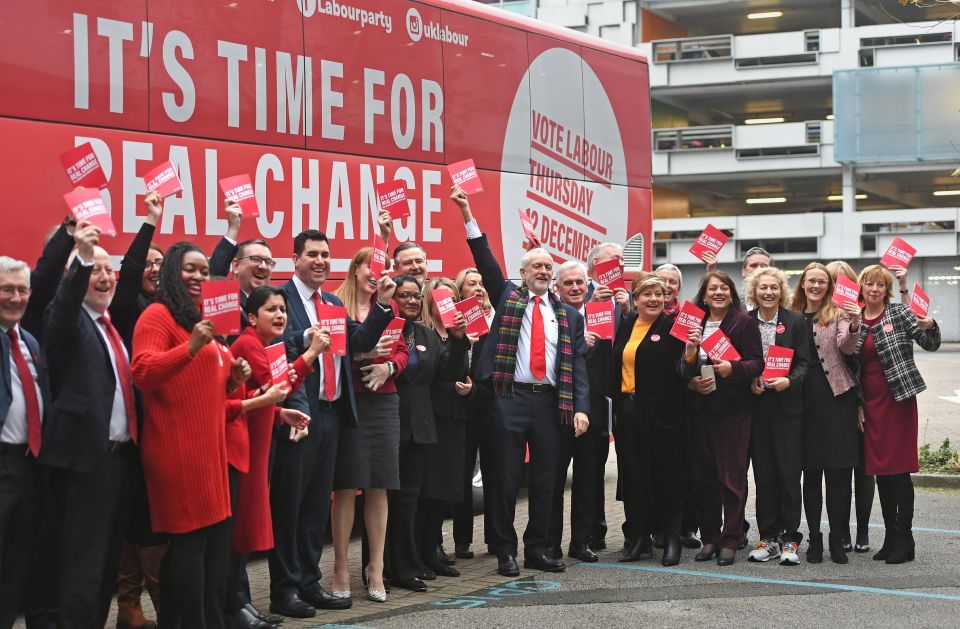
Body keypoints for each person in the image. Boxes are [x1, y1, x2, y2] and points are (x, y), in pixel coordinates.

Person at [451, 186, 590, 578]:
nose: (544, 273)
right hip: (508, 399)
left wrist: (581, 408)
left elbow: (577, 365)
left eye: (549, 269)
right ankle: (505, 550)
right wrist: (467, 212)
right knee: (505, 479)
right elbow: (485, 260)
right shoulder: (508, 297)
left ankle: (538, 549)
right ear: (523, 272)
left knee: (547, 480)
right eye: (537, 268)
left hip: (549, 403)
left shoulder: (568, 316)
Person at [37, 205, 157, 628]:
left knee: (106, 566)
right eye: (95, 270)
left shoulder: (110, 326)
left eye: (109, 270)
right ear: (75, 277)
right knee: (82, 567)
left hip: (118, 463)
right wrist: (82, 255)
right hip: (85, 464)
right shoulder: (65, 321)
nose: (105, 278)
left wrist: (148, 223)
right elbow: (64, 304)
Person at [269, 228, 396, 618]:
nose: (321, 260)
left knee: (312, 509)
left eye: (325, 254)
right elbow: (276, 348)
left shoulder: (330, 303)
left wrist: (383, 306)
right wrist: (305, 339)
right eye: (312, 254)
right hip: (299, 416)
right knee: (288, 507)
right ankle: (284, 589)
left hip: (332, 416)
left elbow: (357, 342)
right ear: (295, 259)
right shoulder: (282, 301)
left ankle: (309, 581)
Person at [131, 242, 252, 628]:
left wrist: (234, 379)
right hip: (177, 451)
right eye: (190, 269)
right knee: (189, 547)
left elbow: (209, 390)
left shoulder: (201, 321)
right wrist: (191, 346)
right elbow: (144, 372)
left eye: (204, 270)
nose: (199, 276)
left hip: (210, 453)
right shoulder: (157, 316)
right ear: (170, 272)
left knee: (213, 552)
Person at [226, 286, 318, 628]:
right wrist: (311, 355)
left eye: (283, 309)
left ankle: (239, 604)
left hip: (259, 443)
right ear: (252, 317)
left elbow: (267, 393)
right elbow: (278, 386)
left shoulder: (265, 345)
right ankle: (235, 605)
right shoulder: (249, 344)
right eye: (271, 310)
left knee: (247, 526)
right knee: (241, 529)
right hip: (244, 448)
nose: (280, 315)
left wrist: (280, 414)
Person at [331, 247, 409, 603]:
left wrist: (389, 367)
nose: (376, 275)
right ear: (356, 270)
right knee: (346, 486)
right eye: (370, 267)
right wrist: (359, 354)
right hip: (350, 402)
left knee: (380, 484)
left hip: (384, 402)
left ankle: (375, 567)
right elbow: (343, 347)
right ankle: (340, 567)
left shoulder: (391, 308)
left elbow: (404, 349)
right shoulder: (336, 304)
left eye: (381, 268)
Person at [613, 273, 701, 566]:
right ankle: (639, 539)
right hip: (628, 411)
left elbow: (685, 371)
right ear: (635, 299)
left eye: (659, 294)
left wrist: (690, 352)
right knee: (634, 476)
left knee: (668, 476)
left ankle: (672, 540)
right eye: (647, 294)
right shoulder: (626, 326)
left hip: (665, 414)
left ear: (666, 298)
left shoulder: (675, 327)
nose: (653, 299)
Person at [855, 264, 940, 565]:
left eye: (880, 284)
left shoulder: (899, 313)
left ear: (886, 289)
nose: (875, 289)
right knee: (881, 473)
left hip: (898, 399)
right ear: (861, 287)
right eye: (870, 284)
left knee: (899, 471)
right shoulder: (855, 319)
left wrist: (930, 325)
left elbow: (931, 344)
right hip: (871, 404)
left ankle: (905, 538)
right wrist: (857, 405)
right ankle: (891, 537)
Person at [687, 271, 763, 567]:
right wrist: (689, 382)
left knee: (731, 480)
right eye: (711, 289)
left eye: (723, 288)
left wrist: (733, 369)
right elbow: (679, 364)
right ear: (703, 296)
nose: (717, 293)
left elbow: (757, 362)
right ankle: (709, 538)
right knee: (703, 479)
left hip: (733, 412)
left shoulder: (743, 322)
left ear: (731, 294)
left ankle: (730, 539)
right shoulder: (693, 323)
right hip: (699, 411)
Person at [790, 262, 861, 564]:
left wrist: (855, 325)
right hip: (802, 402)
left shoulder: (838, 314)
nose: (816, 286)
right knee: (811, 473)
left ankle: (837, 538)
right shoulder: (791, 316)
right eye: (811, 281)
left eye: (822, 282)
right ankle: (815, 538)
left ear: (829, 286)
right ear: (802, 284)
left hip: (836, 399)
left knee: (839, 473)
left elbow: (846, 346)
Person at [743, 267, 810, 566]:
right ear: (754, 292)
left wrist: (790, 381)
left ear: (781, 291)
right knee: (765, 476)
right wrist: (749, 381)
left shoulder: (795, 321)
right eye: (762, 288)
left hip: (787, 410)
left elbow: (805, 363)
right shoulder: (744, 322)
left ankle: (790, 540)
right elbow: (740, 359)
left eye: (773, 287)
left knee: (788, 476)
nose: (768, 292)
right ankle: (768, 537)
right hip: (757, 410)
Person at [0, 257, 50, 628]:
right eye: (6, 290)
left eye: (21, 290)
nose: (15, 298)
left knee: (16, 568)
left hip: (27, 466)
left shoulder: (28, 340)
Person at [548, 260, 610, 563]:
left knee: (588, 480)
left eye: (580, 283)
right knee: (554, 480)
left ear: (588, 286)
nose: (575, 288)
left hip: (593, 408)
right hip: (556, 410)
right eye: (568, 283)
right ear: (557, 288)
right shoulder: (549, 316)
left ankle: (581, 542)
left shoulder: (602, 315)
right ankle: (551, 543)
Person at [414, 278, 471, 578]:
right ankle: (423, 552)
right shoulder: (424, 332)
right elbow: (437, 373)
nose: (445, 304)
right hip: (431, 417)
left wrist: (469, 385)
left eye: (451, 299)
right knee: (428, 490)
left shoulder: (457, 335)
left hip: (454, 417)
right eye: (439, 299)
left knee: (445, 490)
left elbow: (461, 372)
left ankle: (434, 550)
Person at [386, 275, 439, 593]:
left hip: (419, 428)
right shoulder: (383, 330)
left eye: (417, 296)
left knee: (409, 501)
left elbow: (442, 374)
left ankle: (407, 567)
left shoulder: (425, 334)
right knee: (382, 501)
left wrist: (459, 341)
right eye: (403, 295)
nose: (411, 301)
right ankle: (378, 568)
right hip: (387, 424)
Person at [825, 260, 875, 553]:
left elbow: (866, 363)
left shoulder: (862, 312)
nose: (838, 286)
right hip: (837, 404)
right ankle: (841, 530)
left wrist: (862, 403)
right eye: (834, 281)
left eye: (845, 282)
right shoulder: (823, 315)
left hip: (864, 401)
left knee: (865, 470)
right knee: (840, 471)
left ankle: (864, 531)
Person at [451, 267, 496, 560]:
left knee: (494, 475)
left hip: (490, 409)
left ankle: (495, 539)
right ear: (460, 291)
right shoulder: (452, 324)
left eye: (481, 284)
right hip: (460, 410)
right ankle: (462, 541)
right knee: (461, 477)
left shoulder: (494, 321)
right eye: (471, 284)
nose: (478, 288)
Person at [654, 263, 700, 550]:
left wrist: (695, 380)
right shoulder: (643, 316)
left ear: (679, 288)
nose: (668, 286)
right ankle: (659, 528)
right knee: (662, 469)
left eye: (672, 282)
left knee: (689, 469)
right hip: (657, 402)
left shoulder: (690, 317)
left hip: (687, 402)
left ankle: (687, 528)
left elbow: (700, 356)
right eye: (662, 282)